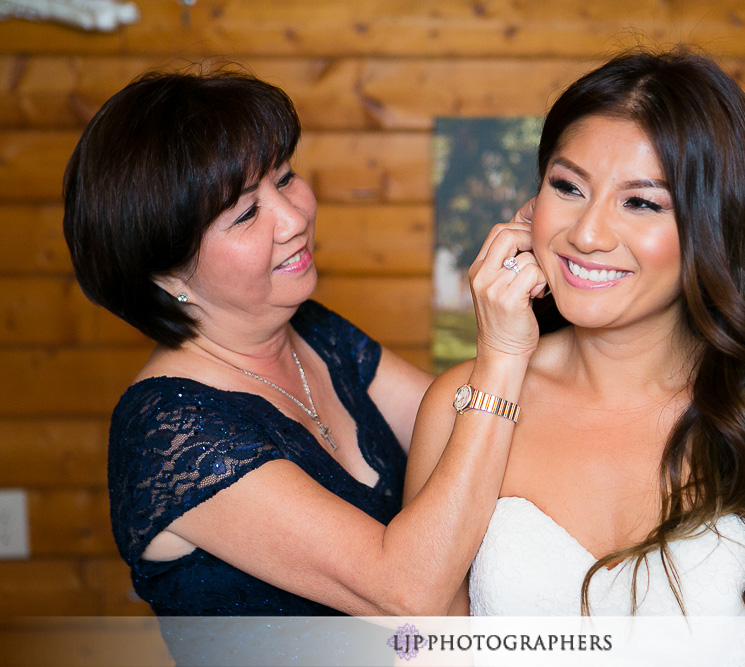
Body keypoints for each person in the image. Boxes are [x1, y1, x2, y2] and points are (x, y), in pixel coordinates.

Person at [404, 49, 745, 666]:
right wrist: (501, 359)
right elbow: (421, 647)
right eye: (567, 187)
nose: (588, 233)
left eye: (642, 203)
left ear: (711, 225)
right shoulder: (460, 403)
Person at [62, 68, 543, 660]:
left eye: (285, 179)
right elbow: (407, 593)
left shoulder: (315, 333)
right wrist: (500, 354)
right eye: (245, 214)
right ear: (164, 273)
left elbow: (480, 437)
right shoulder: (168, 429)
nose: (293, 219)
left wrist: (565, 285)